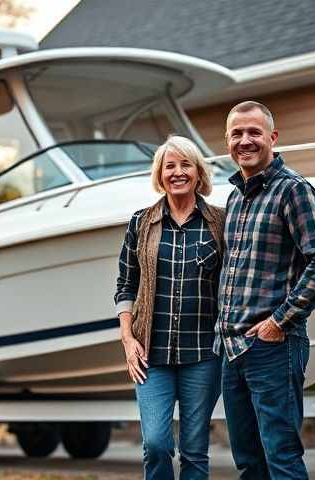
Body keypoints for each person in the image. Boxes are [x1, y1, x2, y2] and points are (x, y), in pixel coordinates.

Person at [216, 101, 315, 479]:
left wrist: (278, 322)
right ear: (227, 142)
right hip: (233, 350)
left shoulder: (294, 190)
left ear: (272, 137)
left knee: (281, 458)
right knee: (249, 463)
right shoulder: (235, 198)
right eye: (237, 134)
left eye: (254, 132)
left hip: (272, 347)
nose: (245, 140)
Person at [114, 135, 226, 480]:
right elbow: (125, 284)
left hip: (203, 355)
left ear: (198, 172)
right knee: (157, 444)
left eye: (185, 165)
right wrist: (127, 339)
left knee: (194, 451)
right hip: (151, 355)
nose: (177, 172)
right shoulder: (141, 222)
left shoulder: (220, 223)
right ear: (160, 174)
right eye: (170, 166)